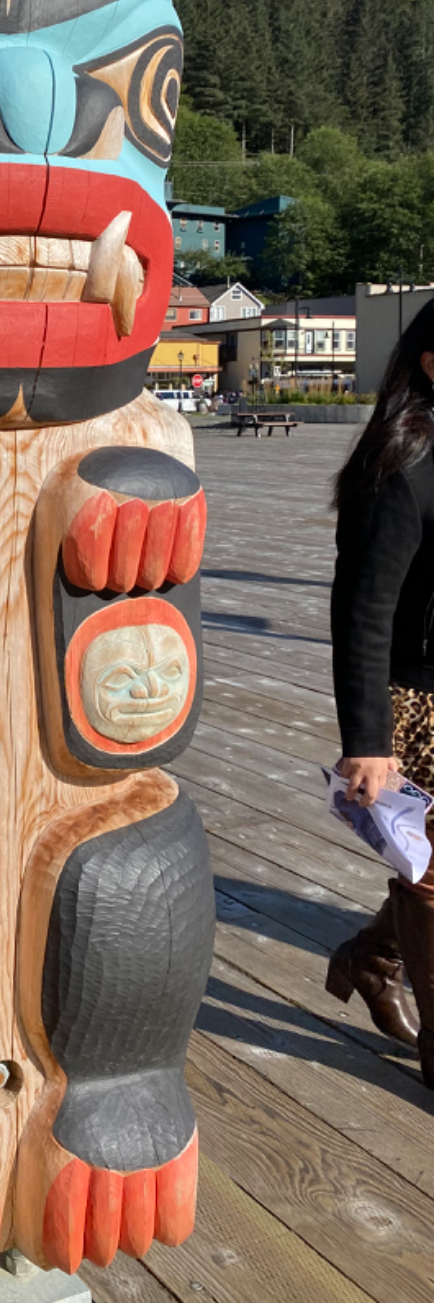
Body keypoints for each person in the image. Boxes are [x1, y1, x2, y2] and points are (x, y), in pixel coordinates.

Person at [326, 301, 434, 1082]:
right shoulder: (403, 463)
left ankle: (371, 955)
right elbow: (362, 609)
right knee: (431, 880)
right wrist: (367, 739)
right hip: (418, 703)